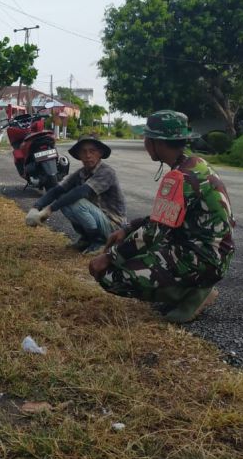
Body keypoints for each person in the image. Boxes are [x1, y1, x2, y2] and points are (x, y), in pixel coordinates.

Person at [88, 110, 235, 324]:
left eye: (147, 139)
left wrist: (109, 257)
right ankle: (186, 287)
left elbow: (152, 233)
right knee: (131, 248)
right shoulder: (195, 164)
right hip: (210, 253)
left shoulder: (179, 177)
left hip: (203, 259)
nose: (145, 143)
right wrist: (127, 229)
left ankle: (192, 294)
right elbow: (163, 218)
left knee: (110, 276)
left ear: (156, 142)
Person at [25, 134, 126, 255]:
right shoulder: (80, 173)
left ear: (100, 153)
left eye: (92, 151)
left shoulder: (106, 172)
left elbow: (82, 191)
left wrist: (49, 209)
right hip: (99, 218)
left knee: (75, 201)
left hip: (113, 227)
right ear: (79, 155)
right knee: (63, 198)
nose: (88, 155)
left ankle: (100, 242)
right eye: (83, 152)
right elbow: (57, 190)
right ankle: (86, 238)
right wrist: (36, 207)